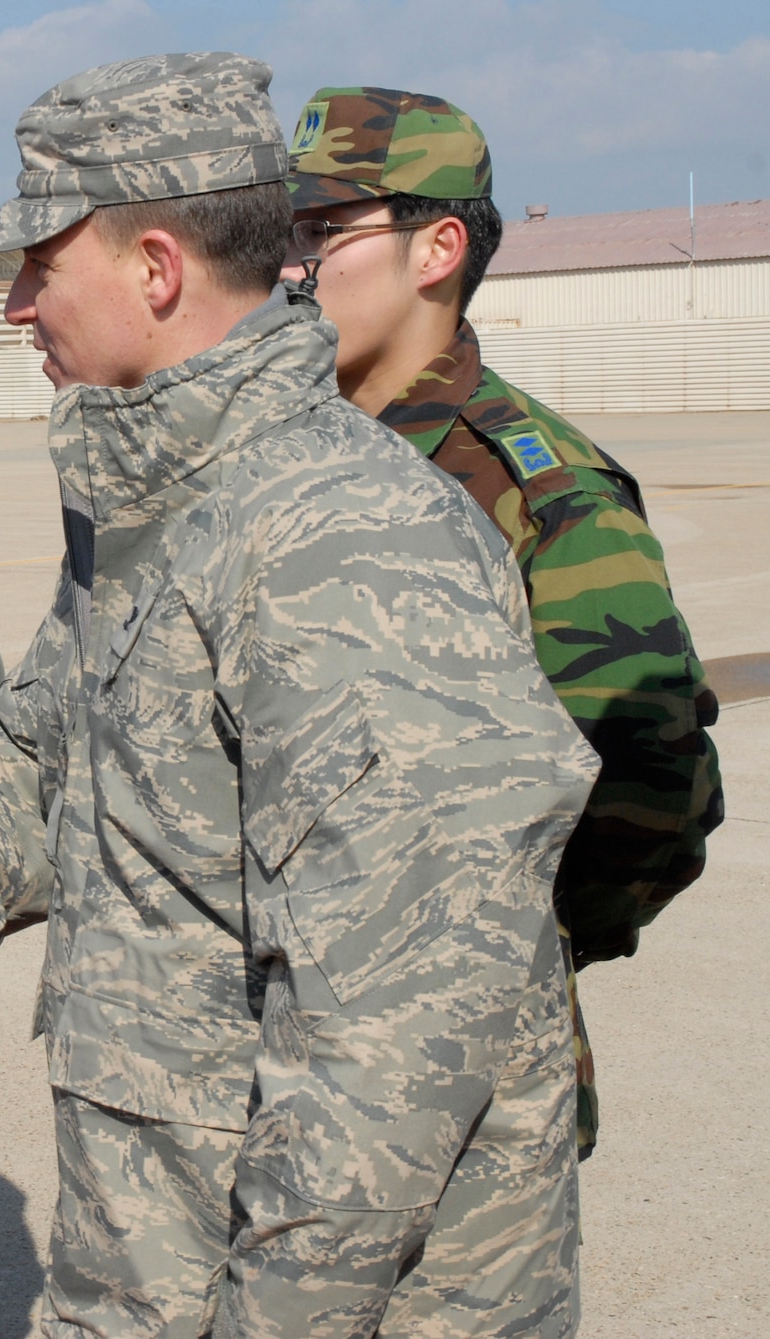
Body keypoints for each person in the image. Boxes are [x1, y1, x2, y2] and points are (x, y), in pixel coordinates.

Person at [0, 53, 602, 1337]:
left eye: (40, 263)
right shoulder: (156, 509)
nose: (15, 306)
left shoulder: (343, 542)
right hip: (151, 1268)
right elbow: (37, 783)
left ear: (155, 268)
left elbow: (390, 1056)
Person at [281, 86, 724, 1154]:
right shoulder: (286, 459)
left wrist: (523, 938)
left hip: (460, 1080)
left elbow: (650, 762)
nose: (287, 266)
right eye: (280, 233)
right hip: (283, 1063)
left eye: (321, 231)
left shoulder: (530, 488)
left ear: (434, 247)